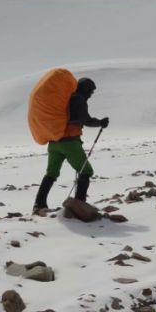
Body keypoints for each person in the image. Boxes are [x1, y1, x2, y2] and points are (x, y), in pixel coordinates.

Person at [33, 77, 109, 214]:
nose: (91, 95)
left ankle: (39, 204)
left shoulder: (65, 100)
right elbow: (84, 119)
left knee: (51, 173)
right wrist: (100, 122)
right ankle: (79, 205)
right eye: (91, 91)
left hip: (54, 142)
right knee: (86, 171)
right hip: (69, 142)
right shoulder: (79, 99)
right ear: (85, 89)